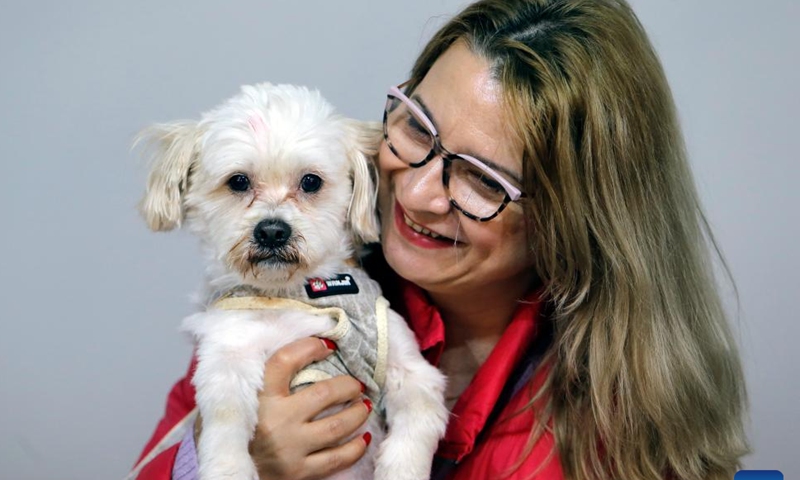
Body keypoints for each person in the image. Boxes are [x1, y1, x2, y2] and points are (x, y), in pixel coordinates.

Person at [129, 0, 748, 479]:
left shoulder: (616, 424)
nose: (419, 191)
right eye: (419, 128)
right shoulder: (290, 297)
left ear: (574, 214)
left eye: (482, 178)